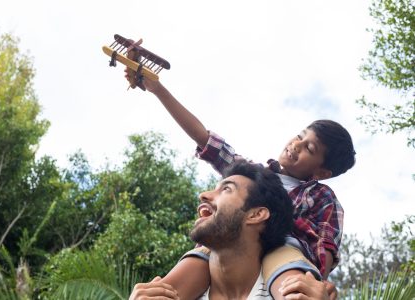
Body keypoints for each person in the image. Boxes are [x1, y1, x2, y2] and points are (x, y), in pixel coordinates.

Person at [124, 73, 353, 299]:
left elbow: (325, 244)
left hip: (284, 246)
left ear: (322, 172)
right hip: (229, 241)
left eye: (309, 149)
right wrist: (158, 89)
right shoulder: (251, 175)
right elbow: (207, 141)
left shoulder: (322, 196)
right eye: (299, 136)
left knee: (289, 273)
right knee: (195, 262)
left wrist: (319, 281)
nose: (296, 145)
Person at [129, 161, 332, 300]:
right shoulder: (173, 292)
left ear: (255, 215)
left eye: (226, 189)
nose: (203, 195)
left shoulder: (290, 287)